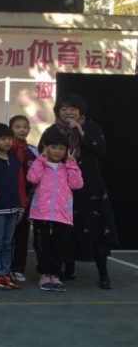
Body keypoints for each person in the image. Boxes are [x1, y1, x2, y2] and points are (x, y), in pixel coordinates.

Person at [39, 94, 117, 289]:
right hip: (62, 187)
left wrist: (81, 132)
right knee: (66, 229)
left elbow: (101, 149)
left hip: (90, 187)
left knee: (96, 228)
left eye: (72, 109)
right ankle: (69, 269)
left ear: (80, 112)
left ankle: (103, 274)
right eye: (64, 109)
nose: (68, 112)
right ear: (57, 112)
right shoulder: (52, 131)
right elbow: (43, 152)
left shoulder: (90, 127)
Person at [27, 129, 83, 292]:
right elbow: (32, 178)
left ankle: (55, 275)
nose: (58, 151)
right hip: (42, 215)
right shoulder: (41, 164)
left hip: (62, 216)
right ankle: (45, 274)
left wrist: (72, 164)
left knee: (59, 247)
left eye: (61, 148)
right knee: (43, 246)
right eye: (53, 147)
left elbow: (77, 184)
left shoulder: (67, 167)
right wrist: (41, 159)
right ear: (45, 147)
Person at [0, 123, 27, 290]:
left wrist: (21, 207)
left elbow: (20, 184)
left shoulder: (14, 159)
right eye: (2, 139)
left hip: (14, 208)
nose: (7, 142)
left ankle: (6, 272)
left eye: (9, 138)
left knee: (8, 243)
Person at [9, 114, 39, 282]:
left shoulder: (34, 152)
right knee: (5, 237)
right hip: (7, 199)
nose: (22, 130)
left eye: (25, 127)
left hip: (26, 201)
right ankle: (3, 267)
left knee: (22, 235)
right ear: (11, 129)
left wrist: (30, 198)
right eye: (17, 126)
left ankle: (18, 268)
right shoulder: (6, 149)